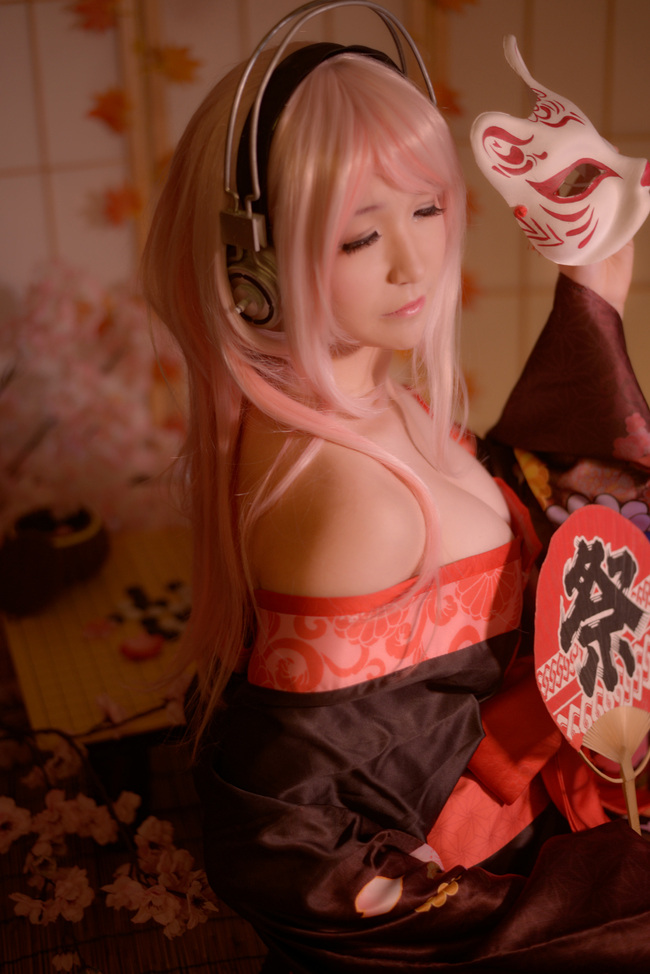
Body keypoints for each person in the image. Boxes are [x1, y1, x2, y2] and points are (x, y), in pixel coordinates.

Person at [141, 23, 650, 974]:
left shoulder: (351, 405)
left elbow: (527, 497)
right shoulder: (357, 504)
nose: (415, 263)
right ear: (253, 266)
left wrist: (592, 290)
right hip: (491, 856)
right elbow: (294, 836)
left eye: (427, 208)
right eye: (360, 235)